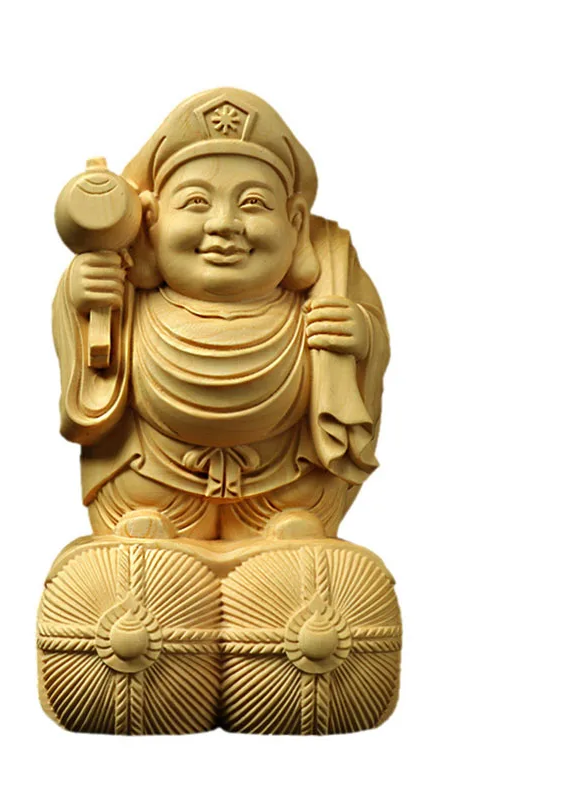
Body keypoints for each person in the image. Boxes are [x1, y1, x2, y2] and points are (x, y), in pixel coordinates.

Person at [52, 89, 389, 540]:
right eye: (196, 202)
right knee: (137, 523)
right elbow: (91, 389)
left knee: (303, 521)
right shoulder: (129, 291)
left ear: (295, 221)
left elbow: (371, 352)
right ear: (150, 217)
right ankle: (150, 540)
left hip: (283, 475)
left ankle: (286, 542)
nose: (224, 224)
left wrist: (362, 336)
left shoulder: (331, 281)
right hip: (156, 473)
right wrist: (82, 299)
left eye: (253, 203)